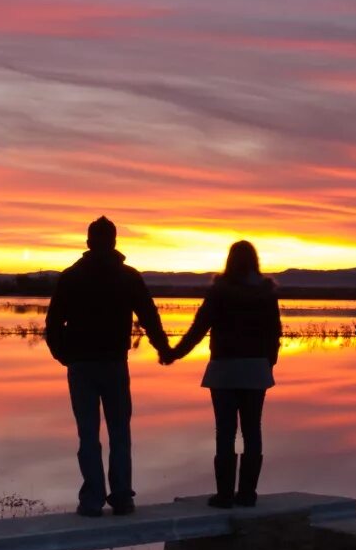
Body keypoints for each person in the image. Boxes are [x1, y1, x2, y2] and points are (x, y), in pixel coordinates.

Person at [45, 216, 172, 517]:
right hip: (113, 364)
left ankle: (92, 500)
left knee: (88, 434)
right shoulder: (127, 276)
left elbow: (53, 324)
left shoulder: (71, 276)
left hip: (86, 366)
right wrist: (163, 348)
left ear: (89, 242)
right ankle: (122, 498)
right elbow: (150, 318)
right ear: (114, 242)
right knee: (119, 433)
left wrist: (64, 354)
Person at [163, 240, 281, 508]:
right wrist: (268, 364)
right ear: (255, 262)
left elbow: (198, 328)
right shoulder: (266, 293)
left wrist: (174, 354)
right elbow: (274, 332)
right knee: (252, 430)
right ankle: (248, 494)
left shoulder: (219, 292)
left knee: (225, 432)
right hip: (255, 370)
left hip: (225, 370)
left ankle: (225, 495)